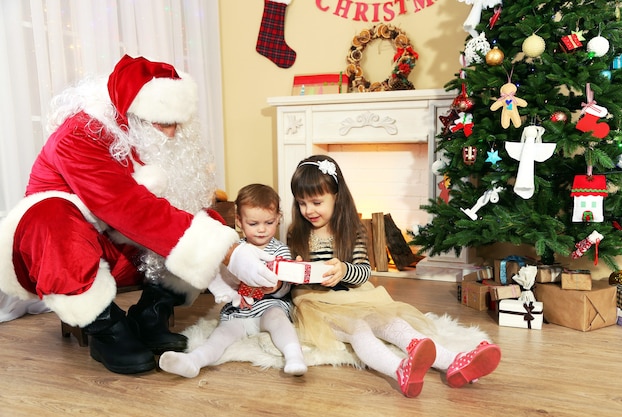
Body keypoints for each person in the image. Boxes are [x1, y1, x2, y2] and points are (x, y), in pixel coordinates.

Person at [0, 55, 278, 375]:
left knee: (205, 221)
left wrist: (222, 244)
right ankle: (106, 328)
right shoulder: (79, 134)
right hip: (61, 252)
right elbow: (128, 207)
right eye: (163, 123)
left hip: (120, 250)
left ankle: (150, 316)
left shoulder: (151, 136)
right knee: (51, 219)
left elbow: (158, 214)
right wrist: (231, 251)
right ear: (129, 114)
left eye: (178, 123)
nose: (172, 134)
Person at [287, 155, 501, 398]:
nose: (308, 210)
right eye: (302, 203)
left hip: (353, 295)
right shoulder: (296, 232)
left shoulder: (351, 229)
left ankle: (454, 361)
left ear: (337, 195)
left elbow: (363, 271)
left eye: (316, 202)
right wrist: (294, 271)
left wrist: (344, 270)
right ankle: (399, 369)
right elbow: (288, 274)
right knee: (359, 329)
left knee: (391, 321)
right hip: (317, 303)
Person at [159, 183, 307, 377]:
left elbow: (286, 288)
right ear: (239, 221)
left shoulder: (280, 251)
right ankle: (194, 360)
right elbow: (221, 277)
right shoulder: (232, 249)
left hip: (270, 306)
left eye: (269, 223)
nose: (262, 230)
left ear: (278, 218)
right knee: (221, 335)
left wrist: (277, 287)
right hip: (240, 311)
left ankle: (294, 357)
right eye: (253, 224)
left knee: (279, 320)